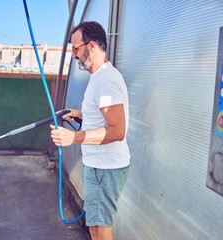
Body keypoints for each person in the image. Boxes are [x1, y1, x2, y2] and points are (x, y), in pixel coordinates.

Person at [50, 21, 130, 240]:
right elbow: (103, 115)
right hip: (98, 167)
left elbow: (117, 130)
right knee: (94, 229)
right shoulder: (99, 78)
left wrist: (73, 137)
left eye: (76, 48)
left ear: (92, 46)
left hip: (105, 169)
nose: (74, 55)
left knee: (101, 232)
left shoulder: (105, 80)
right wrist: (80, 113)